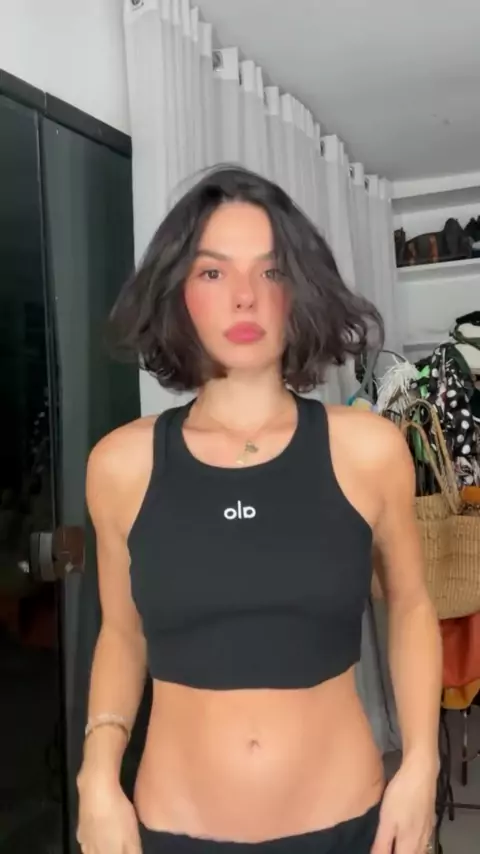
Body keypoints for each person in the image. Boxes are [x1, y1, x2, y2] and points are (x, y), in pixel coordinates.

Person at [76, 166, 442, 854]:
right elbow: (122, 635)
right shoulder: (121, 465)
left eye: (271, 272)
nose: (244, 296)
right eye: (213, 272)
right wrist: (97, 776)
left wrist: (422, 764)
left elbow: (413, 605)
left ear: (299, 291)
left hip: (345, 825)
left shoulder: (367, 450)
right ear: (177, 294)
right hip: (172, 828)